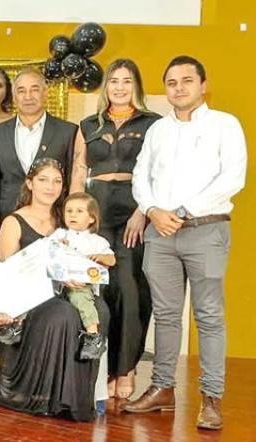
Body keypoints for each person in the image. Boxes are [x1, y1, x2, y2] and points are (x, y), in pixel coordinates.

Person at [123, 56, 246, 431]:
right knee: (165, 314)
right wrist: (151, 209)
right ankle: (162, 387)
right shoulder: (158, 130)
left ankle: (211, 397)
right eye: (172, 82)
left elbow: (233, 177)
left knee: (208, 316)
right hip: (160, 232)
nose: (178, 87)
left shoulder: (225, 124)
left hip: (205, 230)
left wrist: (182, 209)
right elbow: (141, 175)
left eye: (186, 80)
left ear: (203, 85)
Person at [68, 58, 161, 399]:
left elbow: (157, 173)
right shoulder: (88, 124)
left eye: (126, 81)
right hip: (96, 209)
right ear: (105, 86)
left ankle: (127, 367)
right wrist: (75, 214)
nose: (119, 87)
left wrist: (143, 211)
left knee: (129, 289)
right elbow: (79, 170)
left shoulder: (153, 123)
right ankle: (102, 369)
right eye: (113, 81)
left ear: (136, 85)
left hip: (133, 210)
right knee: (96, 291)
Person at [0, 157, 109, 421]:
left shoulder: (69, 219)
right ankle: (48, 397)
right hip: (30, 296)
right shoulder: (14, 221)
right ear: (29, 183)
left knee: (100, 309)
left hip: (70, 292)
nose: (50, 186)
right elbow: (10, 274)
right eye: (43, 180)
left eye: (57, 181)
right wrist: (57, 276)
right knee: (62, 314)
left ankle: (79, 399)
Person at [0, 69, 77, 224]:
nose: (28, 97)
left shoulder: (68, 132)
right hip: (8, 218)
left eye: (34, 90)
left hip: (54, 219)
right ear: (14, 97)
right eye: (21, 91)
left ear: (45, 93)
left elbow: (72, 178)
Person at [48, 192, 116, 360]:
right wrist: (57, 245)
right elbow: (47, 252)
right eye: (69, 211)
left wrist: (100, 257)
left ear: (91, 218)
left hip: (81, 284)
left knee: (82, 301)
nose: (73, 215)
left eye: (79, 211)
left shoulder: (97, 241)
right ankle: (17, 324)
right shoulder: (59, 234)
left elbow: (112, 259)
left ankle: (93, 336)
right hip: (57, 282)